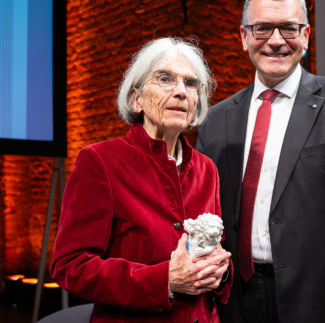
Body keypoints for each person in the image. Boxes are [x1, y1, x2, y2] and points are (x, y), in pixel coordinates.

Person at [196, 0, 325, 323]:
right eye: (262, 29)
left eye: (289, 28)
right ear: (243, 37)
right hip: (237, 301)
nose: (276, 41)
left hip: (324, 301)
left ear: (305, 36)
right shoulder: (215, 120)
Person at [51, 37, 233, 323]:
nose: (181, 92)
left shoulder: (206, 169)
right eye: (165, 79)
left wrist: (221, 273)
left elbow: (214, 250)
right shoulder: (101, 161)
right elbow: (70, 267)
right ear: (137, 99)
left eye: (191, 84)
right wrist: (165, 281)